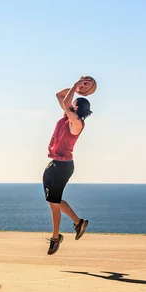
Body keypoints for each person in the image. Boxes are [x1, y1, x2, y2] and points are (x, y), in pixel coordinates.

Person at [44, 77, 93, 255]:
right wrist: (79, 89)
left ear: (78, 108)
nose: (70, 103)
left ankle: (56, 237)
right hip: (54, 163)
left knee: (54, 203)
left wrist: (75, 86)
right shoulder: (67, 115)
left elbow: (65, 101)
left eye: (74, 103)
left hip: (63, 166)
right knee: (52, 201)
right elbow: (60, 95)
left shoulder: (77, 123)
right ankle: (78, 223)